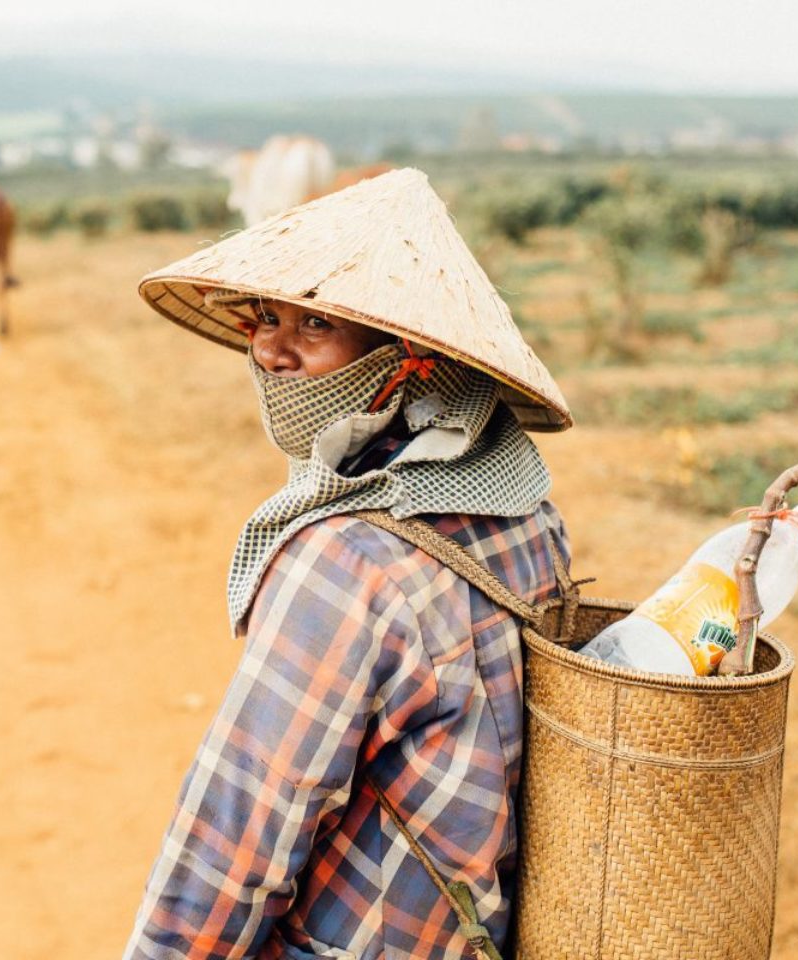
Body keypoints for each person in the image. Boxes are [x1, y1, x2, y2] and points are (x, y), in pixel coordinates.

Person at [124, 168, 574, 960]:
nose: (269, 351)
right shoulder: (528, 509)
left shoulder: (342, 562)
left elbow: (240, 838)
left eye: (317, 326)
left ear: (410, 358)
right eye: (264, 317)